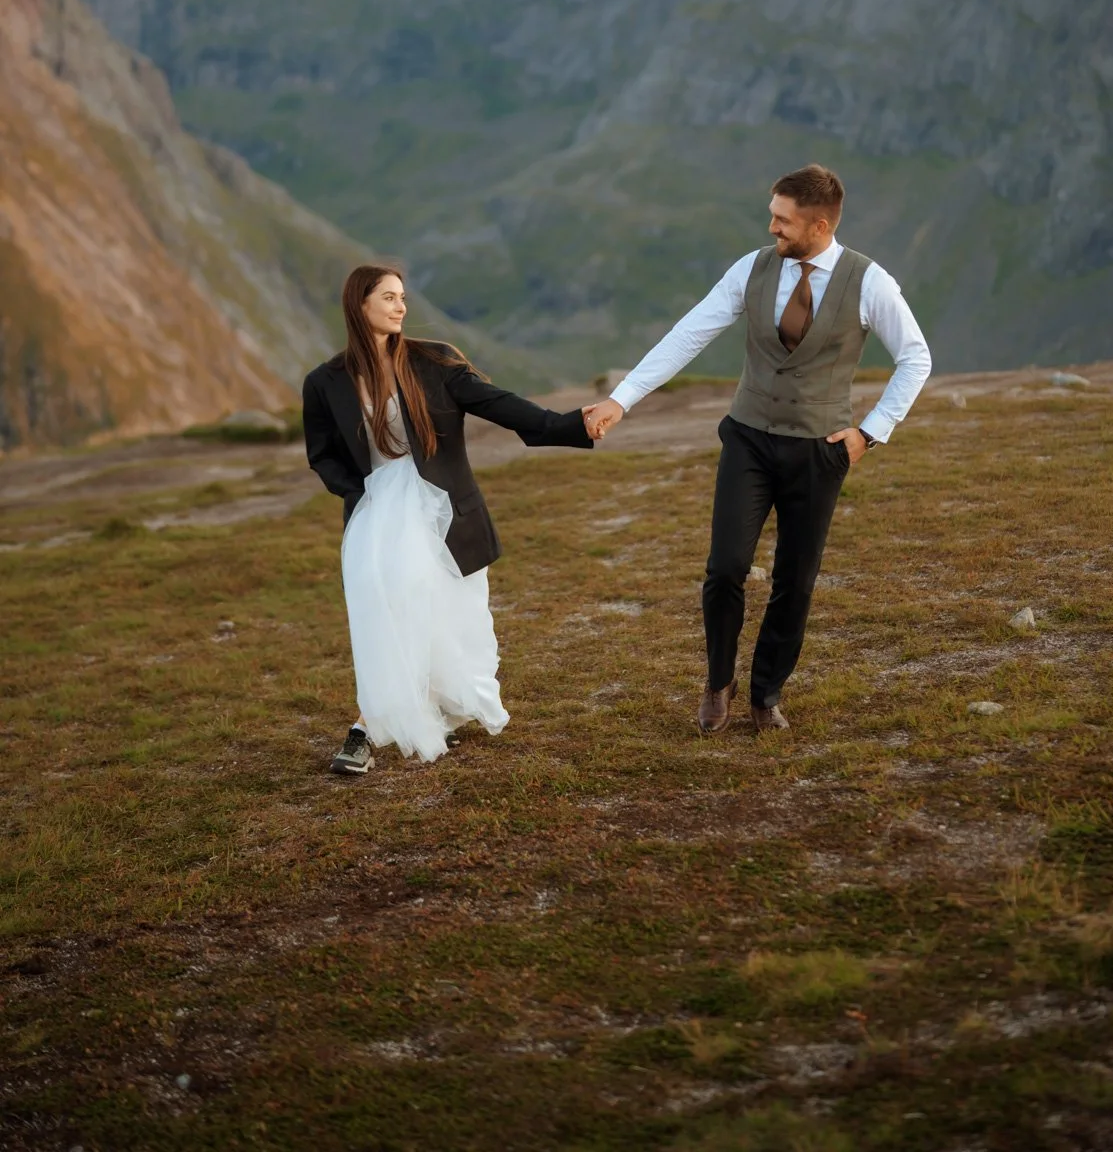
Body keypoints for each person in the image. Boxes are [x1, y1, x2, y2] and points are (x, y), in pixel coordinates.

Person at [584, 165, 931, 735]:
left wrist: (870, 432)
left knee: (795, 581)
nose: (770, 226)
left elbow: (916, 357)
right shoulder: (752, 268)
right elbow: (691, 332)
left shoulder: (869, 282)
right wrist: (622, 401)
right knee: (725, 569)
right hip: (747, 439)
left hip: (819, 451)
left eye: (782, 219)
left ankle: (765, 692)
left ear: (819, 224)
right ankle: (718, 682)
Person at [303, 265, 596, 773]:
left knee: (451, 622)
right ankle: (365, 729)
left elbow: (503, 406)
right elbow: (321, 453)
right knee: (387, 619)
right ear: (360, 305)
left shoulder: (434, 362)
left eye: (402, 297)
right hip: (376, 516)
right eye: (389, 297)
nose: (401, 307)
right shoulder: (325, 382)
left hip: (446, 513)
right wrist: (360, 492)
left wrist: (574, 425)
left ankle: (425, 711)